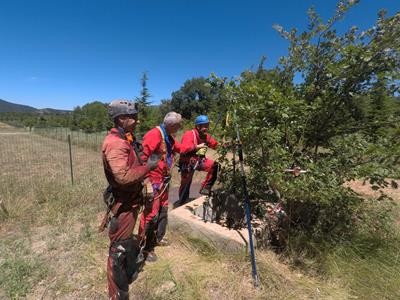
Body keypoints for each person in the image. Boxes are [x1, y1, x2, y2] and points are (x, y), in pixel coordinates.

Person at [101, 99, 159, 300]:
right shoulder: (115, 143)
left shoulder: (127, 138)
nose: (137, 120)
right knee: (119, 248)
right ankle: (117, 294)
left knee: (125, 243)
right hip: (123, 204)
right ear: (121, 118)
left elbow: (137, 159)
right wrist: (148, 168)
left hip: (132, 201)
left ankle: (127, 273)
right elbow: (123, 176)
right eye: (132, 117)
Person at [138, 112, 182, 262]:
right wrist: (146, 181)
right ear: (170, 125)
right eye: (178, 125)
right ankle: (143, 248)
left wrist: (195, 148)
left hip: (163, 181)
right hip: (154, 181)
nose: (179, 128)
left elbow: (179, 148)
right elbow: (142, 158)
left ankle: (157, 238)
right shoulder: (154, 135)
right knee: (151, 214)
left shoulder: (167, 136)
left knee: (163, 210)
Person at [177, 115, 218, 207]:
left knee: (215, 166)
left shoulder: (206, 136)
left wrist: (226, 146)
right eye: (204, 126)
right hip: (187, 162)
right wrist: (196, 147)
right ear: (197, 126)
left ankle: (205, 188)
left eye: (207, 125)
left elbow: (215, 145)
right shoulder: (190, 134)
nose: (206, 128)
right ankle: (182, 202)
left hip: (199, 160)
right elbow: (183, 149)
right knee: (186, 183)